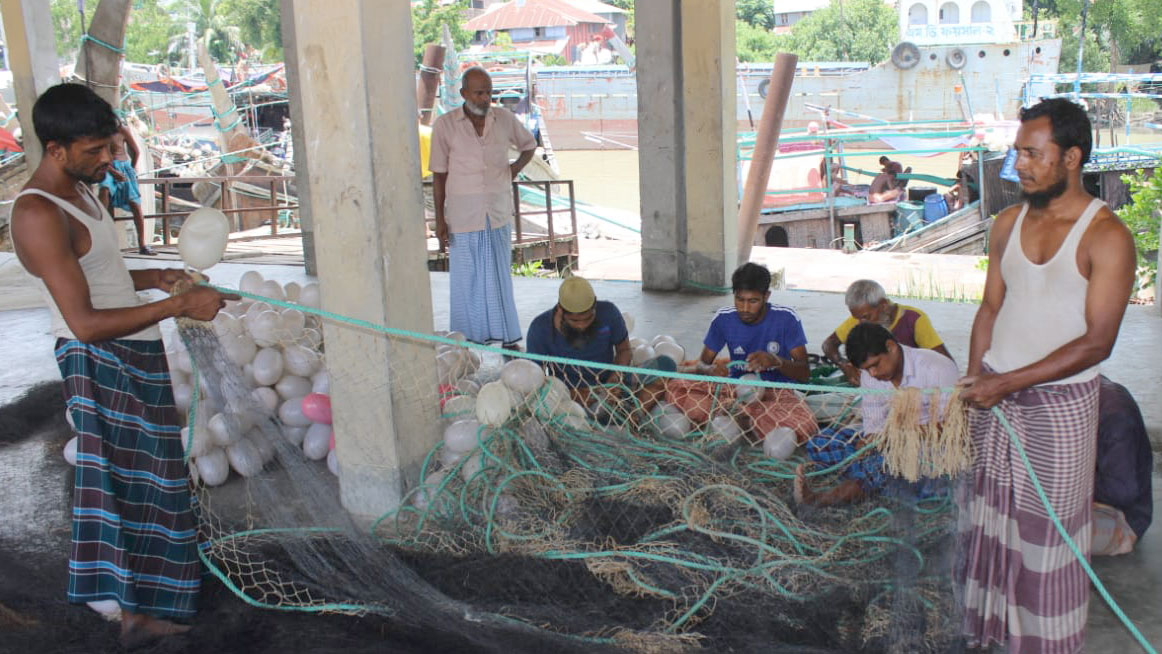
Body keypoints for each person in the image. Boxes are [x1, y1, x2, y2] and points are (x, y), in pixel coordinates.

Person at [8, 84, 237, 647]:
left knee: (156, 477)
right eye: (94, 150)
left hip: (130, 345)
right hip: (96, 358)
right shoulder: (38, 213)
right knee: (118, 485)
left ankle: (161, 593)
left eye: (110, 147)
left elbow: (99, 278)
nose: (108, 159)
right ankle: (135, 615)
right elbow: (83, 321)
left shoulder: (84, 192)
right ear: (55, 149)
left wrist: (153, 280)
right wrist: (180, 304)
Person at [958, 98, 1136, 654]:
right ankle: (989, 636)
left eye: (1034, 154)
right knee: (987, 523)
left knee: (1049, 542)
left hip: (1059, 410)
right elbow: (990, 310)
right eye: (1017, 153)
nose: (1020, 166)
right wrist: (974, 381)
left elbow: (1096, 342)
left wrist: (1005, 384)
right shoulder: (1006, 224)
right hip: (993, 396)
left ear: (1072, 157)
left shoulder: (1106, 236)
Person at [430, 66, 537, 350]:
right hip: (464, 217)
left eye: (489, 92)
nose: (485, 98)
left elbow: (529, 144)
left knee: (500, 277)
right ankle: (467, 340)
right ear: (463, 93)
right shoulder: (445, 125)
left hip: (497, 213)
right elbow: (438, 175)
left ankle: (508, 339)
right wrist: (439, 219)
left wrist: (514, 169)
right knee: (467, 281)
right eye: (478, 92)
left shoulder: (503, 119)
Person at [795, 322, 960, 506]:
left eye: (875, 365)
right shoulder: (870, 375)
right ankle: (878, 478)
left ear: (891, 347)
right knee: (821, 443)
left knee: (881, 464)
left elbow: (952, 427)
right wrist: (869, 441)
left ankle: (821, 499)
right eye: (867, 369)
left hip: (930, 448)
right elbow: (873, 423)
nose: (872, 374)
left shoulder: (937, 368)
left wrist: (896, 439)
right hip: (888, 441)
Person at [696, 262, 809, 384]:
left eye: (753, 301)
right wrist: (709, 369)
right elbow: (701, 364)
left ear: (766, 296)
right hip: (738, 387)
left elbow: (805, 373)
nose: (745, 308)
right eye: (740, 300)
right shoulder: (724, 319)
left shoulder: (786, 319)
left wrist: (776, 361)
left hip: (780, 390)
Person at [822, 279, 952, 385]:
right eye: (858, 318)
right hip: (878, 388)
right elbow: (828, 344)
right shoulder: (859, 320)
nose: (861, 323)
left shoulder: (913, 319)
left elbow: (946, 362)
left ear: (883, 304)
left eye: (866, 317)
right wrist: (844, 365)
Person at [526, 276, 631, 393]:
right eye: (574, 321)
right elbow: (535, 375)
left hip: (607, 386)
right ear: (560, 309)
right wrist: (571, 394)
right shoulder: (540, 328)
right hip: (566, 393)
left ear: (595, 304)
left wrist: (615, 378)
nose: (582, 325)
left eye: (588, 318)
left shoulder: (609, 313)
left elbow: (624, 350)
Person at [1091, 375, 1153, 556]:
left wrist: (1066, 479)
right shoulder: (1096, 392)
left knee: (1025, 529)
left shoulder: (1114, 414)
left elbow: (1121, 490)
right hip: (1095, 503)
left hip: (1124, 520)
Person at [96, 123, 153, 255]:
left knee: (135, 204)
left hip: (124, 166)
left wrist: (130, 169)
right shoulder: (99, 132)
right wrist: (112, 171)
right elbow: (98, 156)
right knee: (104, 190)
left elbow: (136, 151)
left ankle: (142, 245)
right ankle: (100, 237)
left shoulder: (122, 129)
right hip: (107, 168)